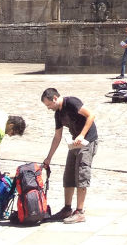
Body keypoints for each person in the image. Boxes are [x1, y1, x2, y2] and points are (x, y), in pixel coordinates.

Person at [41, 87, 98, 224]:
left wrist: (82, 134)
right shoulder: (58, 114)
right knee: (69, 175)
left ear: (55, 98)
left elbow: (91, 115)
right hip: (75, 143)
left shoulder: (71, 102)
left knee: (81, 175)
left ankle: (79, 212)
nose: (48, 108)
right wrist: (49, 157)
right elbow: (57, 136)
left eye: (49, 104)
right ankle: (67, 209)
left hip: (87, 141)